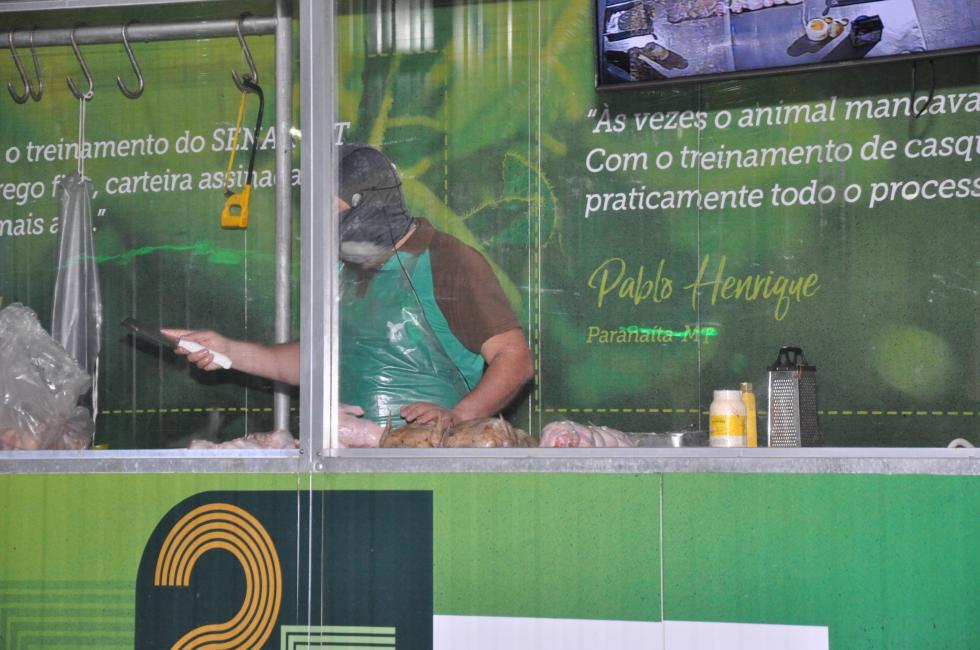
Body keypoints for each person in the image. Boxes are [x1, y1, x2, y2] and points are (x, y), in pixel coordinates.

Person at [164, 144, 532, 426]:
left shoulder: (447, 260)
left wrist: (458, 416)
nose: (323, 223)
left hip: (431, 461)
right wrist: (228, 351)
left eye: (333, 210)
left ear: (372, 203)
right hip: (344, 459)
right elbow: (316, 359)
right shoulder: (338, 270)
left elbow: (514, 359)